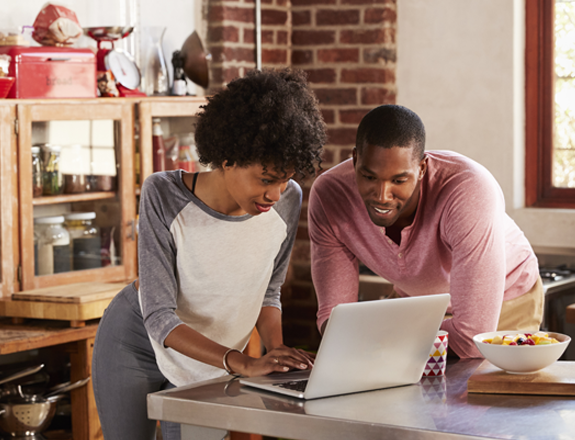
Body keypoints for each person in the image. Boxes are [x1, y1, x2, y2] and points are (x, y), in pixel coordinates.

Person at [92, 68, 326, 440]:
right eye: (266, 179)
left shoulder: (287, 201)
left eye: (285, 179)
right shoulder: (163, 195)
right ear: (228, 158)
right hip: (135, 344)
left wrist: (277, 350)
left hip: (213, 359)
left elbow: (267, 291)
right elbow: (158, 316)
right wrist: (242, 362)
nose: (275, 194)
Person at [308, 104, 542, 358]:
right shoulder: (330, 196)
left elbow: (472, 337)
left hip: (505, 302)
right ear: (355, 160)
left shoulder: (468, 190)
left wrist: (379, 337)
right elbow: (334, 318)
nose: (382, 196)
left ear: (421, 169)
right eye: (369, 177)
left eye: (398, 180)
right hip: (420, 305)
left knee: (485, 392)